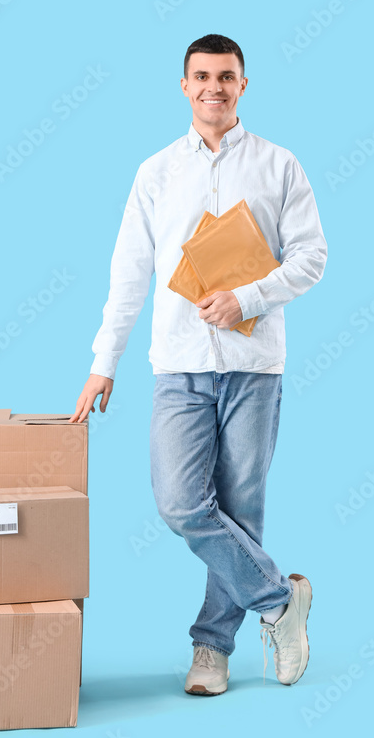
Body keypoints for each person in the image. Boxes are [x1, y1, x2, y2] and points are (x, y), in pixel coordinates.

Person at [70, 34, 327, 695]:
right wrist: (104, 361)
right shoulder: (155, 172)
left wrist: (248, 296)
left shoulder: (279, 165)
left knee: (241, 509)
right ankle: (279, 601)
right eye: (202, 76)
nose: (214, 87)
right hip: (179, 365)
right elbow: (129, 274)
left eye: (226, 76)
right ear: (184, 86)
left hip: (253, 367)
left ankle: (211, 648)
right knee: (181, 503)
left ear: (243, 85)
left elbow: (311, 258)